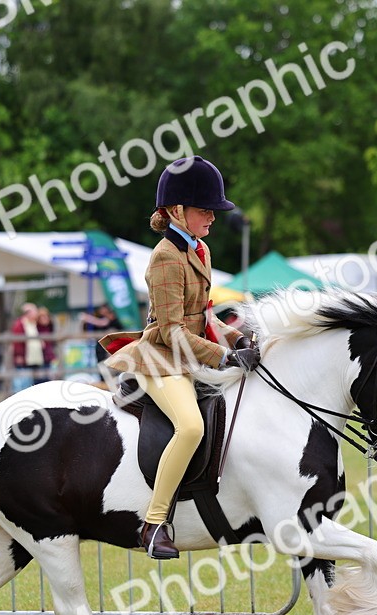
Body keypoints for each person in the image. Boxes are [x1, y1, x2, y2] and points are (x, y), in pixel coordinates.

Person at [99, 157, 259, 560]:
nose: (212, 218)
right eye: (205, 210)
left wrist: (238, 339)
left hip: (190, 353)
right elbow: (172, 330)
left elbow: (204, 315)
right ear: (176, 212)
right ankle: (154, 523)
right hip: (161, 357)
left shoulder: (200, 249)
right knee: (189, 427)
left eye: (212, 211)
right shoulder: (165, 258)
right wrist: (223, 357)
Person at [10, 303, 46, 391]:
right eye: (35, 311)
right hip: (25, 359)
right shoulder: (20, 324)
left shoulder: (34, 324)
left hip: (35, 359)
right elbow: (17, 341)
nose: (36, 314)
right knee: (24, 384)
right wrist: (19, 355)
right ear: (28, 313)